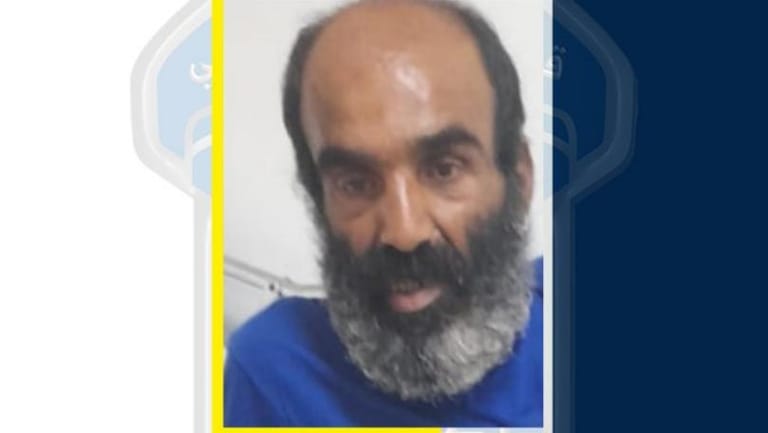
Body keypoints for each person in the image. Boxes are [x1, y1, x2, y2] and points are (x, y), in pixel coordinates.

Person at [224, 0, 541, 426]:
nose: (403, 231)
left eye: (444, 169)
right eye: (355, 183)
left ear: (518, 176)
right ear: (318, 199)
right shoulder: (274, 375)